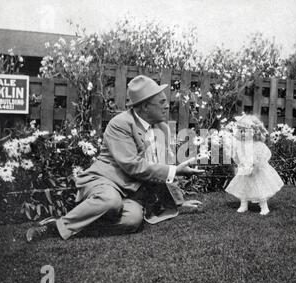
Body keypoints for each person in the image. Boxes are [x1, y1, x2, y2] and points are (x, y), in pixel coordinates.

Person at [26, 75, 204, 242]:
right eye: (162, 102)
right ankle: (56, 226)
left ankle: (81, 224)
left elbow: (163, 166)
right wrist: (177, 171)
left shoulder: (162, 128)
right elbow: (133, 166)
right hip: (105, 182)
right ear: (145, 107)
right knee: (111, 201)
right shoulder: (120, 124)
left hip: (130, 193)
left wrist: (179, 202)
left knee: (132, 221)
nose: (167, 106)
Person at [225, 114, 284, 215]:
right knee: (243, 187)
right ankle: (243, 204)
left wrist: (255, 167)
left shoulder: (258, 145)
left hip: (258, 171)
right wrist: (240, 164)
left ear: (253, 132)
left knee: (260, 187)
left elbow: (263, 157)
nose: (242, 134)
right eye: (240, 131)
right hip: (244, 169)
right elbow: (238, 157)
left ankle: (264, 206)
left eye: (244, 131)